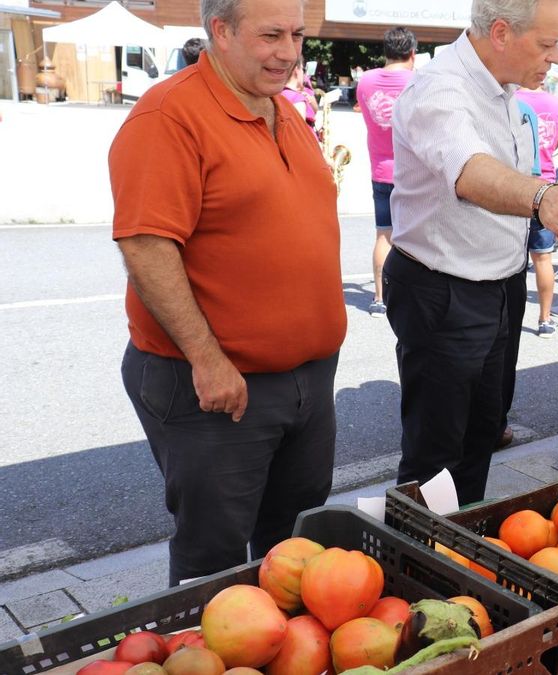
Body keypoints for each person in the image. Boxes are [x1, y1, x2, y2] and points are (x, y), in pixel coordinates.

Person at [109, 0, 346, 586]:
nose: (289, 52)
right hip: (218, 387)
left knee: (293, 553)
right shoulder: (169, 115)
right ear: (220, 30)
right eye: (270, 35)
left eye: (296, 35)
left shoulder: (281, 109)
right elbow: (146, 246)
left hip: (305, 380)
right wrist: (208, 360)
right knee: (211, 564)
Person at [385, 0, 558, 504]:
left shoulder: (505, 88)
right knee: (435, 452)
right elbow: (471, 172)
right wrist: (543, 198)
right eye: (548, 43)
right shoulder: (440, 89)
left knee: (483, 430)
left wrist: (555, 201)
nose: (555, 56)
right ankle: (425, 562)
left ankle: (461, 545)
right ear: (503, 32)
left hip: (499, 287)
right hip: (442, 289)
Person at [356, 26, 417, 317]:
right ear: (412, 54)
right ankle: (408, 295)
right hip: (412, 173)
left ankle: (379, 299)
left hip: (379, 170)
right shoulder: (418, 80)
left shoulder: (366, 81)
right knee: (414, 238)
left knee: (383, 235)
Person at [497, 98, 544, 449]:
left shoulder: (521, 109)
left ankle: (496, 422)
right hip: (455, 273)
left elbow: (532, 172)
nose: (554, 58)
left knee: (503, 354)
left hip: (510, 261)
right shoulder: (443, 89)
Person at [516, 84, 558, 338]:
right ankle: (545, 318)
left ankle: (510, 317)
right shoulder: (556, 104)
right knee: (543, 257)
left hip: (515, 185)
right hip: (546, 187)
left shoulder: (511, 98)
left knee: (512, 260)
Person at [281, 60, 318, 131]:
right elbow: (298, 132)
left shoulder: (279, 94)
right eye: (302, 69)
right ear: (296, 70)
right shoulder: (296, 98)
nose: (303, 73)